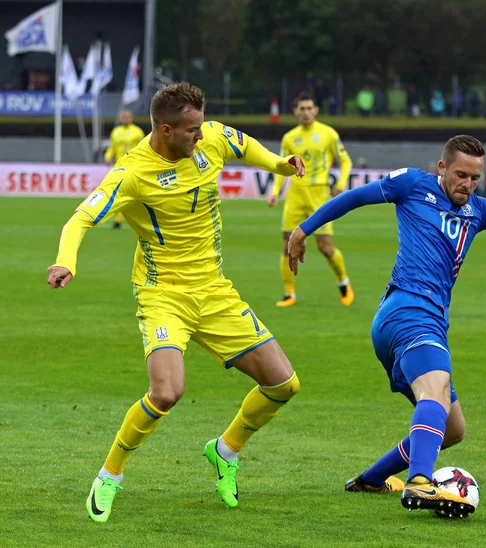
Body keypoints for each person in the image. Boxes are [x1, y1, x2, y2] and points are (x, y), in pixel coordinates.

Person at [287, 135, 486, 517]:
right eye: (460, 175)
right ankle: (420, 481)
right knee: (434, 393)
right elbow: (354, 197)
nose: (467, 184)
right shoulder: (411, 184)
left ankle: (370, 479)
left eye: (475, 177)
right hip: (407, 312)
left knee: (452, 430)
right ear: (441, 168)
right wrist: (304, 229)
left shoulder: (481, 211)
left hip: (421, 321)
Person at [47, 82, 305, 522]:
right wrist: (64, 261)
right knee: (167, 392)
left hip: (215, 291)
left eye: (201, 127)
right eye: (190, 131)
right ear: (165, 129)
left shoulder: (211, 139)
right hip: (163, 294)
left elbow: (248, 149)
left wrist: (282, 165)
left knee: (284, 384)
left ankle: (225, 451)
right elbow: (81, 218)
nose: (201, 136)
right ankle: (110, 475)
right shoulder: (131, 174)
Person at [268, 91, 354, 307]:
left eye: (309, 108)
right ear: (296, 112)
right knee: (288, 244)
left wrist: (341, 184)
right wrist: (275, 190)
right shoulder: (289, 138)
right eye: (301, 109)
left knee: (325, 247)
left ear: (316, 110)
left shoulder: (328, 134)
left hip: (319, 196)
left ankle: (344, 283)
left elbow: (346, 161)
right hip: (295, 196)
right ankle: (289, 294)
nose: (305, 112)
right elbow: (281, 167)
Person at [104, 109, 146, 229]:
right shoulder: (116, 132)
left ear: (131, 118)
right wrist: (108, 156)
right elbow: (113, 147)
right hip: (120, 166)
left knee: (135, 194)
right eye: (124, 117)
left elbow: (144, 148)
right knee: (119, 192)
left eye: (128, 117)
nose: (126, 119)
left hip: (135, 166)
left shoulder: (137, 132)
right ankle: (118, 220)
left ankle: (130, 218)